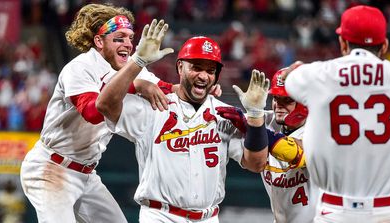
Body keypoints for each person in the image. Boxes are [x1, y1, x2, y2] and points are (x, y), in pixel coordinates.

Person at [19, 4, 174, 223]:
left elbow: (167, 89)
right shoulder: (80, 67)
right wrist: (135, 83)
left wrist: (204, 90)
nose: (128, 44)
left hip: (86, 173)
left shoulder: (129, 67)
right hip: (51, 168)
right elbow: (93, 111)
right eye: (119, 38)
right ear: (99, 41)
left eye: (130, 37)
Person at [96, 35, 274, 222]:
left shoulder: (225, 113)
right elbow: (104, 104)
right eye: (196, 67)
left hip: (209, 217)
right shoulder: (154, 105)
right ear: (180, 67)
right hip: (161, 215)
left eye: (210, 70)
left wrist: (255, 115)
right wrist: (137, 63)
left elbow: (256, 164)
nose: (204, 76)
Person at [284, 5, 390, 222]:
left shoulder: (317, 75)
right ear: (384, 46)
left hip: (335, 212)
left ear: (343, 43)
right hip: (388, 211)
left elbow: (291, 81)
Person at [217, 68, 317, 222]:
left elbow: (295, 152)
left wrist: (253, 126)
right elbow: (218, 120)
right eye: (276, 98)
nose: (278, 105)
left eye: (287, 100)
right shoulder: (268, 120)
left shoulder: (320, 128)